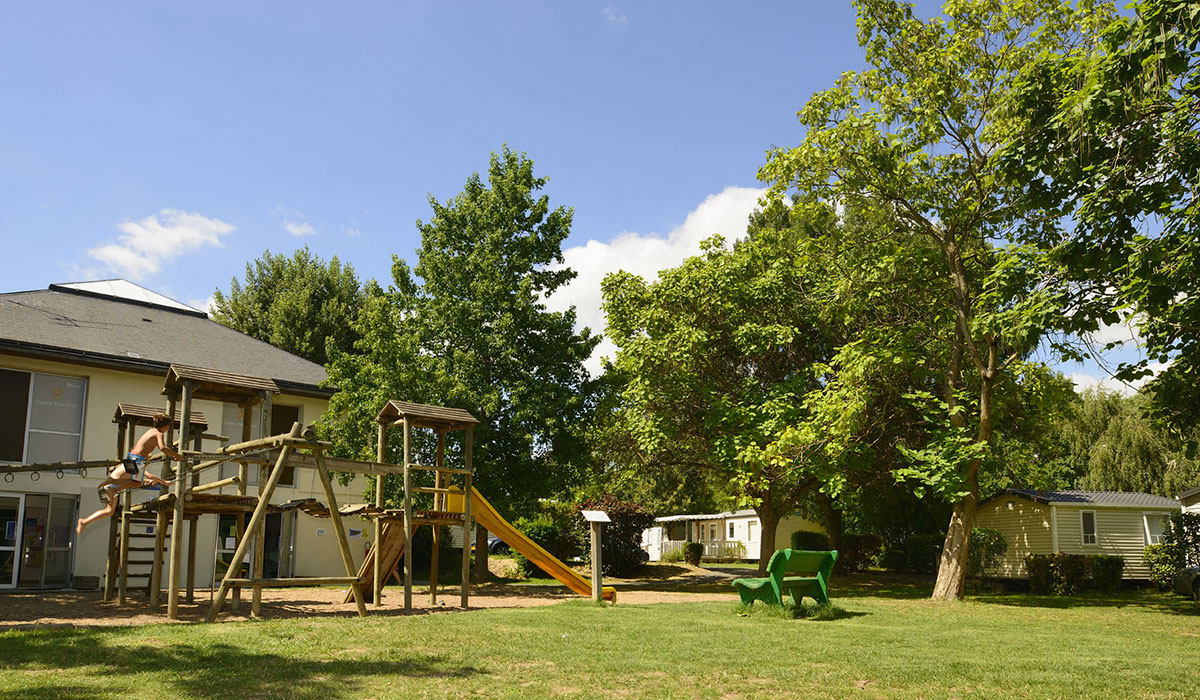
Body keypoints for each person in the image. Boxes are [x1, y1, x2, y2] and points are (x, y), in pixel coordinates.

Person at [76, 413, 180, 536]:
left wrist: (158, 482)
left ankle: (84, 521)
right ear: (165, 426)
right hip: (124, 471)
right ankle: (109, 481)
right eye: (168, 427)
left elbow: (147, 478)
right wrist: (176, 456)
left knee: (109, 511)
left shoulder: (149, 433)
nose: (168, 429)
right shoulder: (158, 434)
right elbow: (162, 448)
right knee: (136, 484)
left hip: (107, 488)